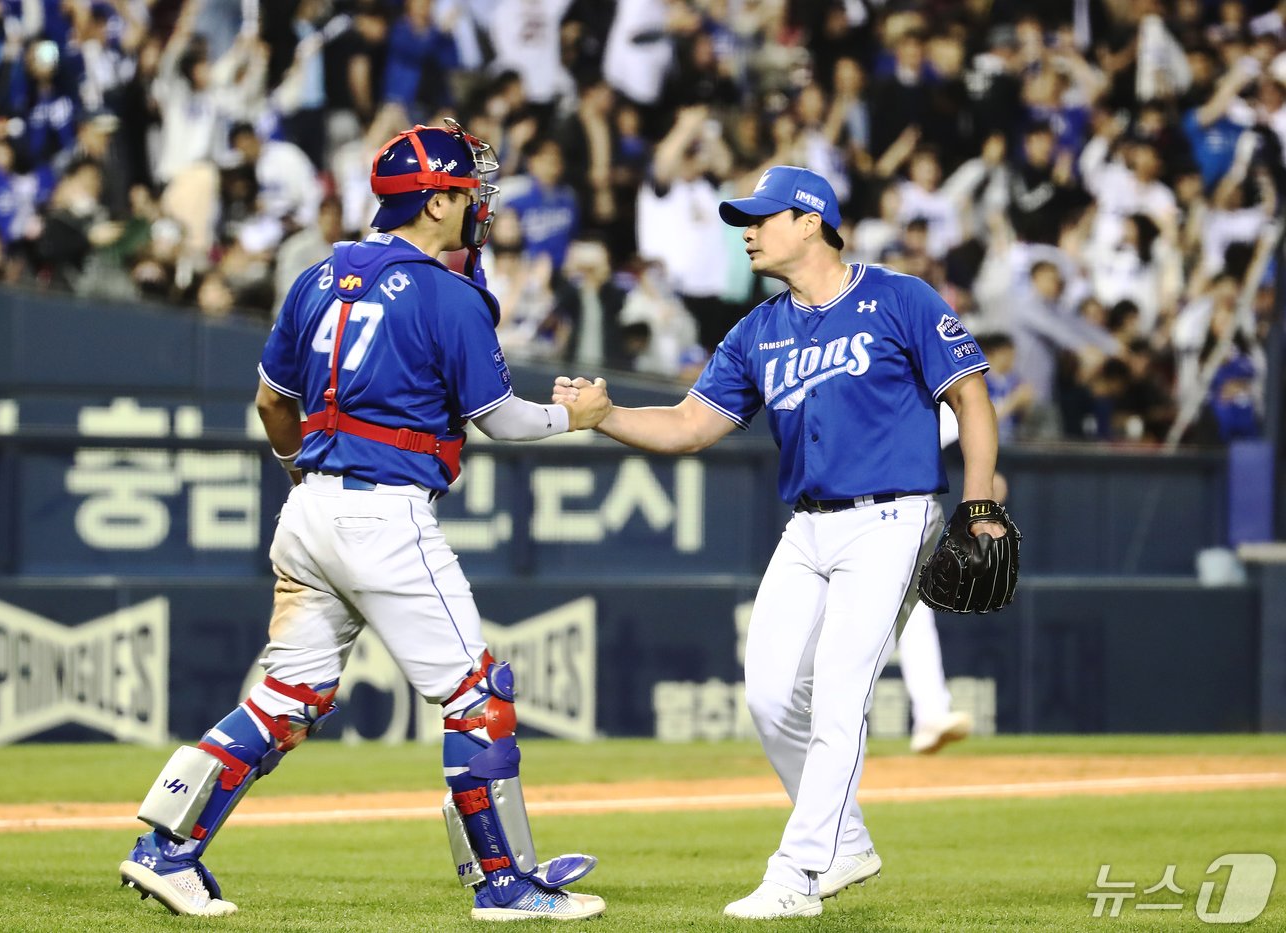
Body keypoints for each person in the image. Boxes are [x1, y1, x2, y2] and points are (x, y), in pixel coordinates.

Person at [118, 119, 611, 922]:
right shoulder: (449, 294)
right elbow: (505, 421)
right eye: (465, 191)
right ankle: (504, 884)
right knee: (478, 695)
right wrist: (580, 417)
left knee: (286, 695)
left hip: (308, 506)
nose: (474, 204)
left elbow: (271, 403)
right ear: (437, 201)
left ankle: (165, 846)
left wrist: (303, 478)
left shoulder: (316, 277)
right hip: (384, 514)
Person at [555, 165, 1005, 919]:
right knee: (769, 697)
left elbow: (971, 395)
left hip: (894, 517)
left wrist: (982, 497)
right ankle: (848, 839)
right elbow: (690, 425)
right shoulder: (757, 328)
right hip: (808, 524)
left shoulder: (898, 297)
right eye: (745, 219)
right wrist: (605, 416)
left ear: (810, 221)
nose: (748, 230)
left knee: (838, 696)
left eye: (763, 217)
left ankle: (797, 871)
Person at [898, 405, 1010, 754]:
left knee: (913, 611)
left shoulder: (924, 389)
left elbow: (959, 441)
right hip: (836, 517)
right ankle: (823, 723)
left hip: (899, 516)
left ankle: (931, 712)